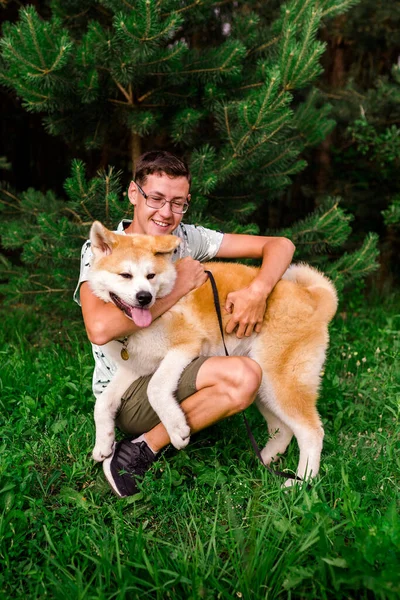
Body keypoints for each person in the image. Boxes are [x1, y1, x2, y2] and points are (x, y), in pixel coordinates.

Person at [74, 151, 295, 498]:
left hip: (173, 358)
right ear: (134, 194)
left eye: (177, 203)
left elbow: (280, 245)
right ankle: (137, 451)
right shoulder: (105, 249)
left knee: (244, 376)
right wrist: (178, 287)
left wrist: (258, 291)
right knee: (242, 376)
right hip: (128, 390)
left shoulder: (187, 239)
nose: (166, 213)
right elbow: (99, 329)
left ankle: (152, 439)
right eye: (156, 198)